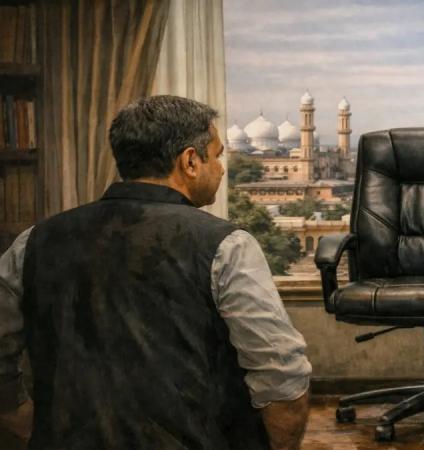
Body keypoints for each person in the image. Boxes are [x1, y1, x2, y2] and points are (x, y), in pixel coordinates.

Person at [0, 95, 311, 449]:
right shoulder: (225, 246)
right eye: (217, 155)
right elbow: (283, 380)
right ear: (190, 161)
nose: (222, 169)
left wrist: (28, 422)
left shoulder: (34, 242)